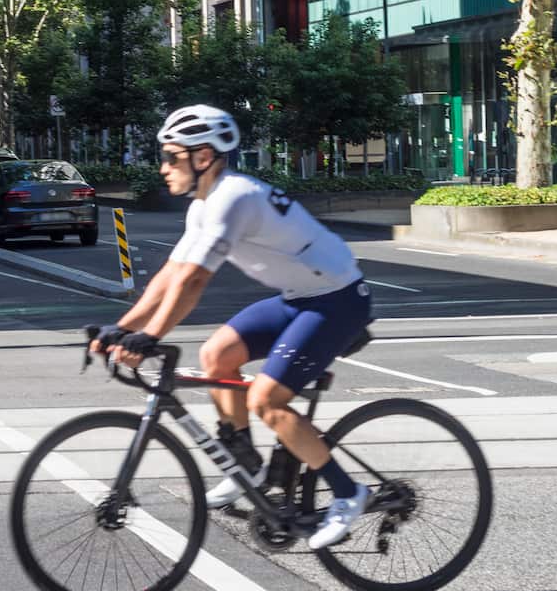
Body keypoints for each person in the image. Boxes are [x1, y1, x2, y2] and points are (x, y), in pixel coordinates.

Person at [89, 105, 373, 550]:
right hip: (299, 298)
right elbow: (172, 273)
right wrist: (121, 328)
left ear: (203, 157)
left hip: (337, 302)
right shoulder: (204, 205)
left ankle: (348, 492)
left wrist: (151, 337)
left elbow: (195, 281)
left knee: (266, 399)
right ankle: (247, 468)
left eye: (171, 157)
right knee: (216, 355)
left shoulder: (233, 198)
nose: (162, 168)